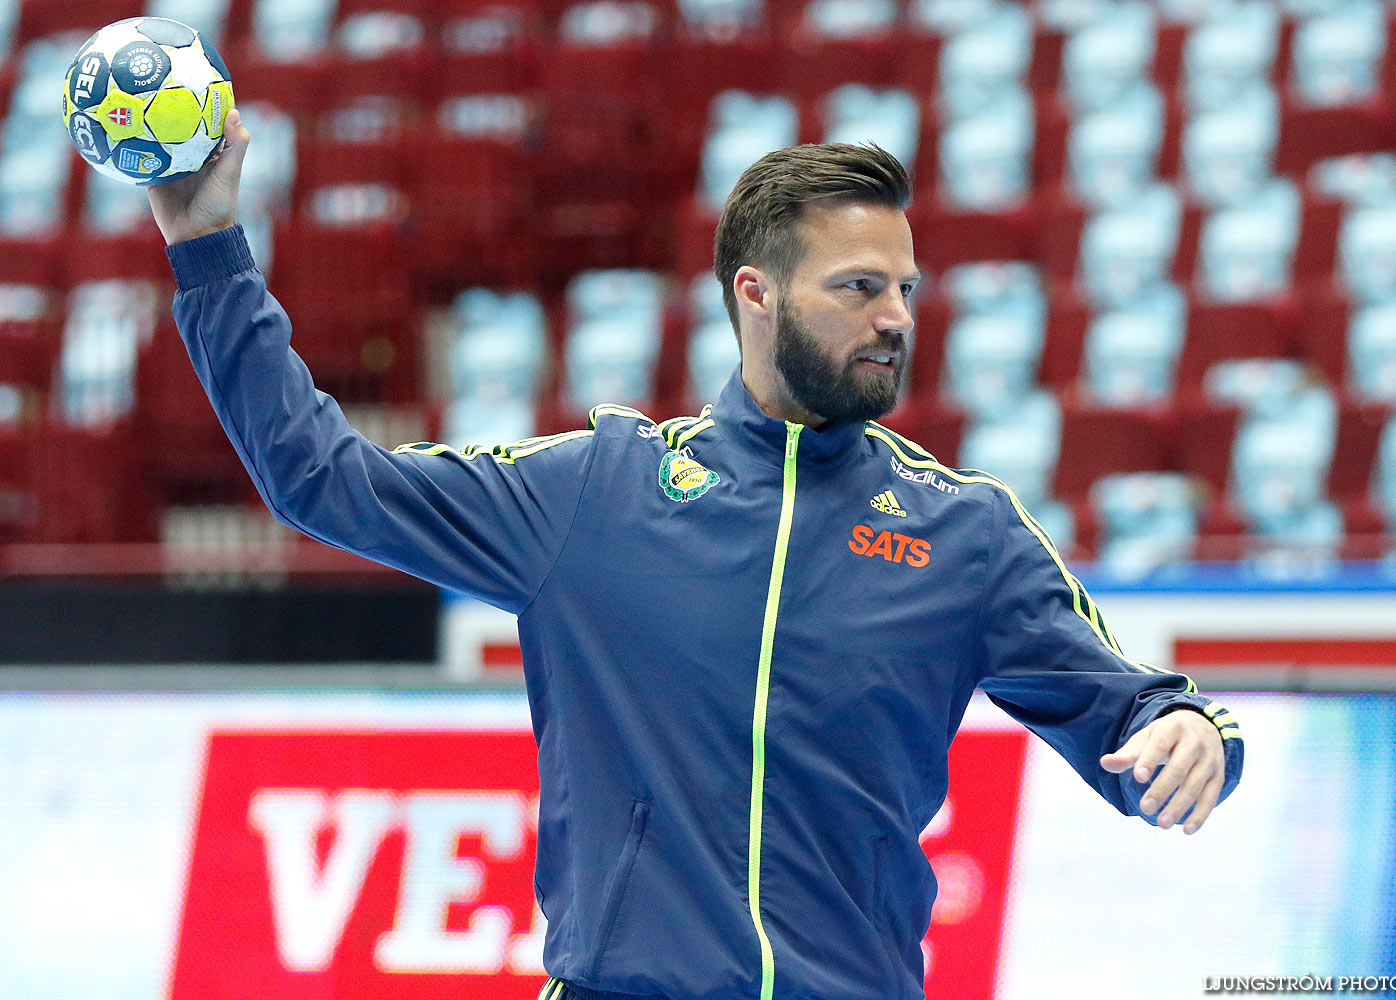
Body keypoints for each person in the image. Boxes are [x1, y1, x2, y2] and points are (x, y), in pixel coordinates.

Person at [150, 109, 1243, 1000]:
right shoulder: (595, 489)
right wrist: (207, 251)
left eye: (906, 288)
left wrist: (1188, 729)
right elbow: (321, 479)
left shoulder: (965, 530)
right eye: (859, 288)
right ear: (754, 296)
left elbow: (1141, 709)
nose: (898, 318)